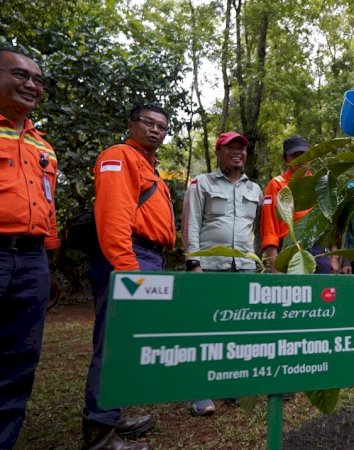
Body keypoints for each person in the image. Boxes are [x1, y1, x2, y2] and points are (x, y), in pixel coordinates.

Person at [84, 104, 176, 450]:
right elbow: (113, 217)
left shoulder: (148, 166)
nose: (155, 130)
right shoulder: (119, 156)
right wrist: (128, 270)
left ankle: (111, 413)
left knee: (128, 342)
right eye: (148, 123)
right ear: (131, 124)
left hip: (149, 257)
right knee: (115, 342)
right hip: (130, 257)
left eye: (162, 127)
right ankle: (99, 432)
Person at [0, 47, 59, 449]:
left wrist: (48, 259)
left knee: (20, 360)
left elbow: (47, 201)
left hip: (33, 257)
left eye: (37, 80)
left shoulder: (42, 146)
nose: (32, 85)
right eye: (21, 75)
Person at [182, 131, 262, 416]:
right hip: (209, 266)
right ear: (219, 153)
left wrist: (260, 261)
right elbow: (190, 224)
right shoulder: (201, 184)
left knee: (238, 328)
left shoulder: (255, 189)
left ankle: (231, 384)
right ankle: (198, 392)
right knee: (204, 328)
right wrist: (193, 263)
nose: (237, 152)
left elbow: (257, 230)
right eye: (231, 148)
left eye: (242, 148)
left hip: (244, 268)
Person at [260, 135, 336, 273]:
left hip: (318, 248)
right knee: (292, 292)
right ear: (286, 159)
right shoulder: (276, 184)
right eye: (295, 156)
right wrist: (273, 260)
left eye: (304, 155)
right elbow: (269, 224)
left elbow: (329, 221)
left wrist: (334, 256)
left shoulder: (320, 183)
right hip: (289, 247)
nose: (301, 160)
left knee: (321, 292)